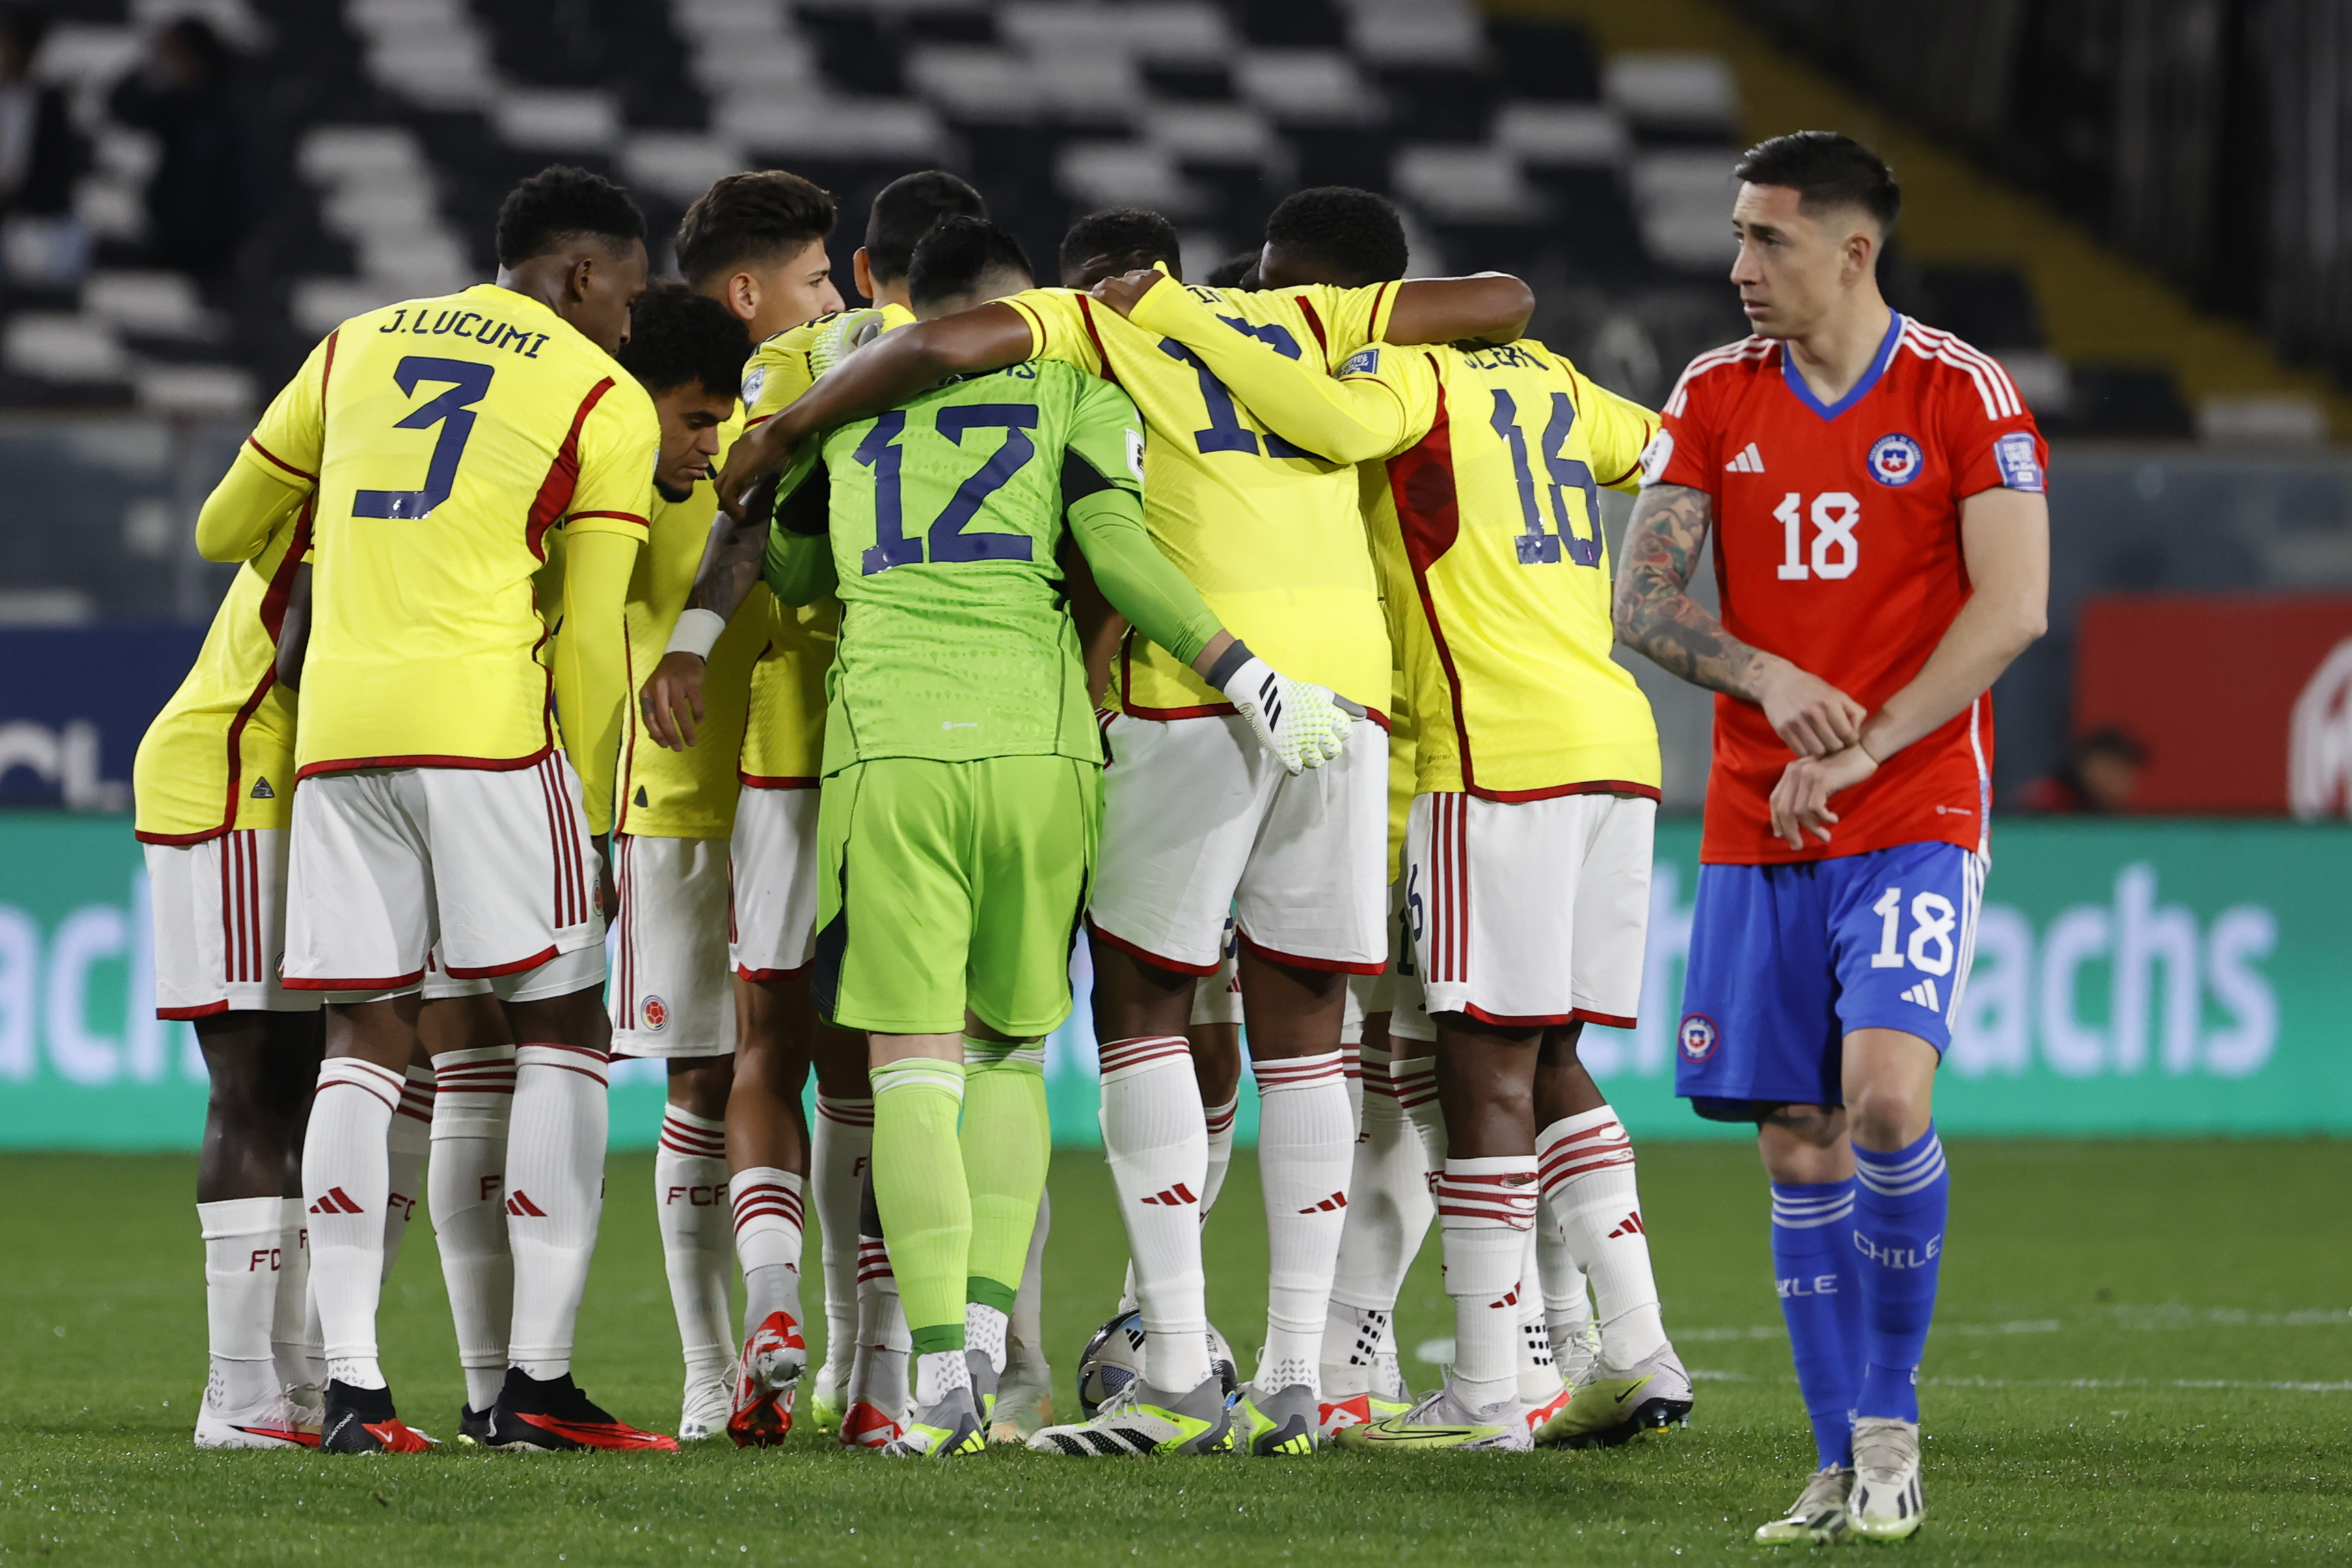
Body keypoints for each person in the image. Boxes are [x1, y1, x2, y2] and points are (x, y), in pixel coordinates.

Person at [712, 201, 1534, 1457]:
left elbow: (878, 455)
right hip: (1331, 696)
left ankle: (1111, 1368)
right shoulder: (1291, 321)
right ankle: (1298, 1376)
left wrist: (790, 429)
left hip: (1072, 715)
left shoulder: (1071, 338)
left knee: (1099, 1023)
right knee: (1308, 1029)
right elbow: (1501, 296)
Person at [1097, 194, 1690, 1453]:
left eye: (1280, 288)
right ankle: (1593, 1344)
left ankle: (1495, 1376)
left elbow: (1316, 414)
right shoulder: (1556, 382)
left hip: (1480, 753)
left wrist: (1178, 317)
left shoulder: (1399, 377)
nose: (1273, 312)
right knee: (1513, 1057)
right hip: (1609, 739)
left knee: (1452, 1065)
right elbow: (1674, 447)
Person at [196, 164, 673, 1454]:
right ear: (578, 275)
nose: (632, 324)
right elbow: (584, 639)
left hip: (341, 736)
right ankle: (538, 1385)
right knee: (563, 1019)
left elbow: (222, 524)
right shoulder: (599, 395)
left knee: (367, 1027)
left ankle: (352, 1391)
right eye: (626, 296)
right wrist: (592, 800)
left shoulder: (355, 343)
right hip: (484, 731)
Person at [1613, 131, 2048, 1541]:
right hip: (1754, 818)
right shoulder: (1712, 393)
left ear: (1852, 251)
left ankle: (1886, 1419)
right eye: (1737, 238)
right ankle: (1828, 1463)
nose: (1739, 267)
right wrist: (1762, 676)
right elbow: (1644, 602)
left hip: (1911, 803)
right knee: (1796, 1138)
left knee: (1881, 1103)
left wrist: (1862, 738)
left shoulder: (1959, 390)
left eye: (1768, 241)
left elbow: (2011, 608)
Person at [641, 169, 985, 1450]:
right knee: (906, 1068)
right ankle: (885, 1373)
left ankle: (772, 1311)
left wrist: (687, 639)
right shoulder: (998, 345)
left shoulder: (781, 367)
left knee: (760, 1047)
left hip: (783, 743)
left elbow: (744, 517)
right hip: (929, 732)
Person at [135, 406, 324, 1452]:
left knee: (295, 1091)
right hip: (234, 775)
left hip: (276, 784)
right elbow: (297, 662)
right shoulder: (347, 510)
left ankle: (285, 1384)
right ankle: (239, 1392)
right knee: (254, 1088)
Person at [604, 273, 763, 1442]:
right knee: (698, 1079)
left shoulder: (769, 450)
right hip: (673, 810)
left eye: (722, 420)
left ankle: (858, 1363)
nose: (711, 444)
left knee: (829, 1077)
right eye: (696, 419)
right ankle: (713, 1371)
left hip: (803, 793)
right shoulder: (605, 475)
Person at [107, 16, 249, 280]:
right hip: (169, 236)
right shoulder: (175, 106)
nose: (174, 64)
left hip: (218, 244)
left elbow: (246, 178)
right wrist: (150, 65)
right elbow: (122, 108)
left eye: (178, 54)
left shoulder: (233, 107)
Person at [2020, 725, 2142, 813]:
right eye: (2111, 767)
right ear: (2086, 767)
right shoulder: (2055, 803)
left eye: (2125, 769)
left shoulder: (2119, 818)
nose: (2118, 778)